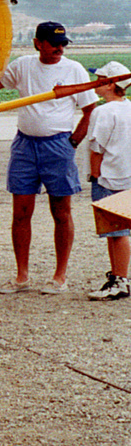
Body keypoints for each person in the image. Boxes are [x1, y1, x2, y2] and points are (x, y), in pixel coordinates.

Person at [0, 21, 98, 294]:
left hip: (58, 147)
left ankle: (60, 276)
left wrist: (73, 142)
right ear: (38, 43)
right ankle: (21, 277)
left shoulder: (73, 69)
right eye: (54, 43)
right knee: (21, 213)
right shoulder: (23, 65)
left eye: (63, 44)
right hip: (25, 146)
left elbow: (90, 109)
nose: (59, 49)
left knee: (61, 212)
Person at [85, 61, 131, 300]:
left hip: (108, 176)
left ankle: (121, 280)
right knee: (117, 232)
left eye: (100, 78)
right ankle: (116, 276)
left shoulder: (103, 112)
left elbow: (97, 148)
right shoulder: (128, 108)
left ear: (112, 84)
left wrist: (94, 175)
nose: (96, 83)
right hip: (126, 175)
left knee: (117, 232)